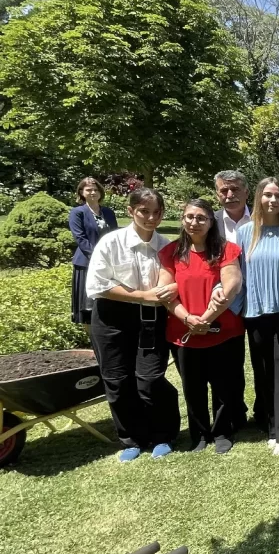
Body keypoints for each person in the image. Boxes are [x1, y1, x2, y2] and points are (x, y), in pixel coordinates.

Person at [85, 187, 180, 463]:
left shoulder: (166, 246)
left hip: (151, 320)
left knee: (150, 379)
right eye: (144, 212)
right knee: (117, 380)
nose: (151, 218)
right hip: (111, 318)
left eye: (156, 212)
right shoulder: (111, 242)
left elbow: (179, 277)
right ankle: (131, 439)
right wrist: (142, 296)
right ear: (131, 212)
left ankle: (163, 434)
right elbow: (98, 285)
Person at [158, 198, 245, 455]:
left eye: (201, 218)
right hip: (183, 332)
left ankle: (222, 432)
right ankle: (199, 434)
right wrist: (187, 318)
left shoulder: (226, 250)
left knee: (224, 385)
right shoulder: (171, 253)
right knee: (192, 387)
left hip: (223, 331)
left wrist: (206, 317)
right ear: (183, 220)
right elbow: (165, 292)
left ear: (210, 222)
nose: (194, 222)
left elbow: (232, 285)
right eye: (189, 217)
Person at [236, 177, 279, 456]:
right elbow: (236, 273)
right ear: (258, 198)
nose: (273, 200)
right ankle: (272, 427)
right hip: (255, 312)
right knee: (263, 372)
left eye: (278, 195)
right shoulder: (245, 232)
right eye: (267, 195)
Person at [69, 177, 118, 329]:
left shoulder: (108, 213)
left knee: (107, 301)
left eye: (95, 189)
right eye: (88, 190)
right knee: (87, 306)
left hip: (109, 263)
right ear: (81, 192)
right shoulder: (78, 213)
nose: (93, 192)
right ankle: (92, 343)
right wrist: (97, 257)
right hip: (86, 263)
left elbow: (115, 235)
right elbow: (80, 238)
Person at [213, 170, 252, 244]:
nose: (230, 195)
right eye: (224, 190)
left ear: (246, 193)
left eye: (235, 190)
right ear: (217, 196)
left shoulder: (262, 218)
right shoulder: (211, 221)